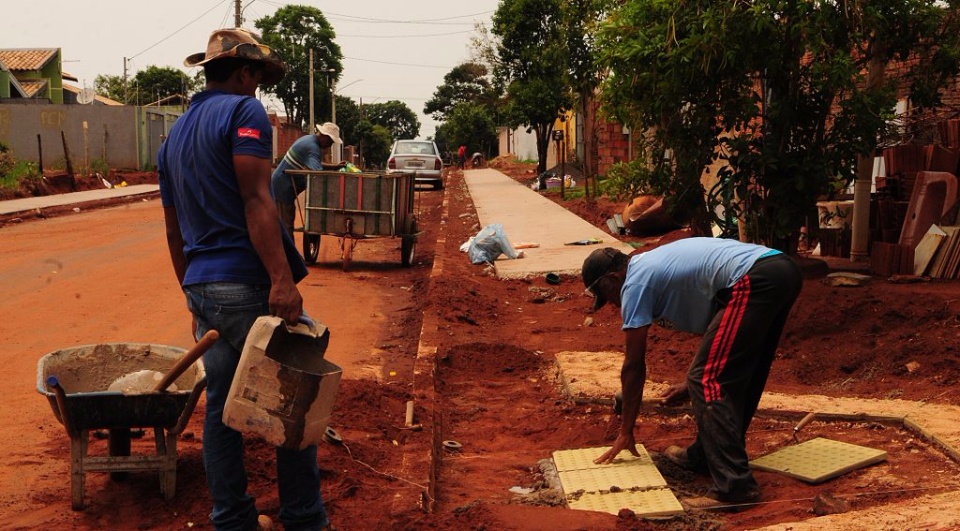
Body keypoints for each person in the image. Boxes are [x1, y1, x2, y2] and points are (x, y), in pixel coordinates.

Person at [158, 28, 331, 531]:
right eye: (256, 78)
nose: (257, 88)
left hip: (204, 287)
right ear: (244, 72)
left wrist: (191, 291)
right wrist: (282, 280)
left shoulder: (174, 137)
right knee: (294, 396)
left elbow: (173, 229)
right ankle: (304, 517)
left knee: (221, 408)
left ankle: (231, 519)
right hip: (246, 283)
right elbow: (257, 200)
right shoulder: (243, 111)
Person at [582, 237, 802, 509]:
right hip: (777, 271)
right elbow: (720, 336)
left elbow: (634, 365)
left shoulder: (635, 284)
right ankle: (705, 456)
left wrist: (626, 430)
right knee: (738, 372)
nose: (613, 305)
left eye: (606, 296)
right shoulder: (649, 268)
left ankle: (735, 486)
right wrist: (690, 381)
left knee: (707, 379)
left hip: (755, 277)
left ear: (613, 279)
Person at [271, 123, 345, 238]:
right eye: (330, 142)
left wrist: (334, 167)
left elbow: (315, 164)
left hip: (283, 185)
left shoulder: (309, 140)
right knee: (286, 224)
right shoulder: (313, 147)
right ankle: (289, 255)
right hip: (282, 187)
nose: (330, 146)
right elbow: (316, 173)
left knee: (287, 220)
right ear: (325, 137)